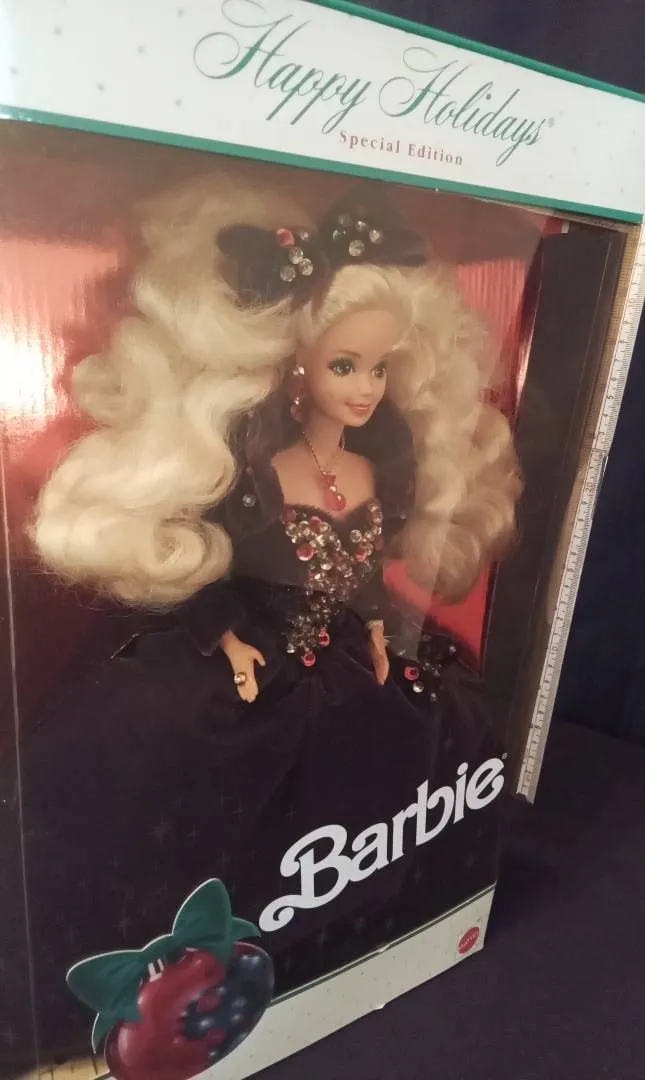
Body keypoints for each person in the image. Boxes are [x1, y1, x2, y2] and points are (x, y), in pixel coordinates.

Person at [1, 171, 521, 1065]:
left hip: (350, 664)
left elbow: (363, 577)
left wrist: (376, 627)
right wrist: (228, 639)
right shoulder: (253, 475)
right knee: (147, 771)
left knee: (435, 742)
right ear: (294, 366)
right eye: (344, 365)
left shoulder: (375, 470)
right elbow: (209, 571)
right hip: (255, 662)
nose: (366, 386)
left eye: (379, 367)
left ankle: (363, 931)